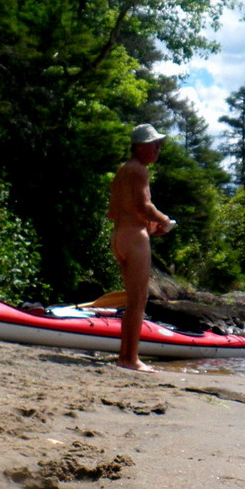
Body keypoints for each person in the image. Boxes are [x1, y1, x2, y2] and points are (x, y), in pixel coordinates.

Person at [106, 123, 176, 372]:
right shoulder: (139, 171)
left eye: (158, 144)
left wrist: (147, 223)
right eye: (153, 144)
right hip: (135, 239)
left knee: (133, 300)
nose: (158, 149)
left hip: (119, 237)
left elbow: (114, 212)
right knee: (138, 300)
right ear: (139, 147)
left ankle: (126, 357)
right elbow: (144, 206)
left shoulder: (123, 170)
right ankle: (130, 359)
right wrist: (164, 221)